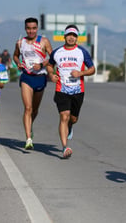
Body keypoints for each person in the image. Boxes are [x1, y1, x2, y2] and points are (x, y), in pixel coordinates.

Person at [47, 24, 95, 159]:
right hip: (61, 89)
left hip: (78, 90)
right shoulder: (57, 52)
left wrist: (81, 72)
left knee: (73, 118)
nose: (71, 38)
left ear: (77, 38)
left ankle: (70, 126)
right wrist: (51, 75)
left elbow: (92, 69)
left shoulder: (82, 52)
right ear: (65, 36)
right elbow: (50, 65)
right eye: (69, 35)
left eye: (74, 36)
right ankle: (64, 147)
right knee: (64, 116)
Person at [13, 17, 53, 150]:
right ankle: (28, 138)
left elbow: (52, 58)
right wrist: (18, 63)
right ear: (25, 28)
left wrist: (41, 64)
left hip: (40, 78)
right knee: (28, 108)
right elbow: (15, 55)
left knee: (35, 110)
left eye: (34, 28)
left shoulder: (43, 41)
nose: (31, 31)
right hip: (26, 77)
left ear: (37, 28)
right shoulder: (20, 42)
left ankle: (30, 126)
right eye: (29, 28)